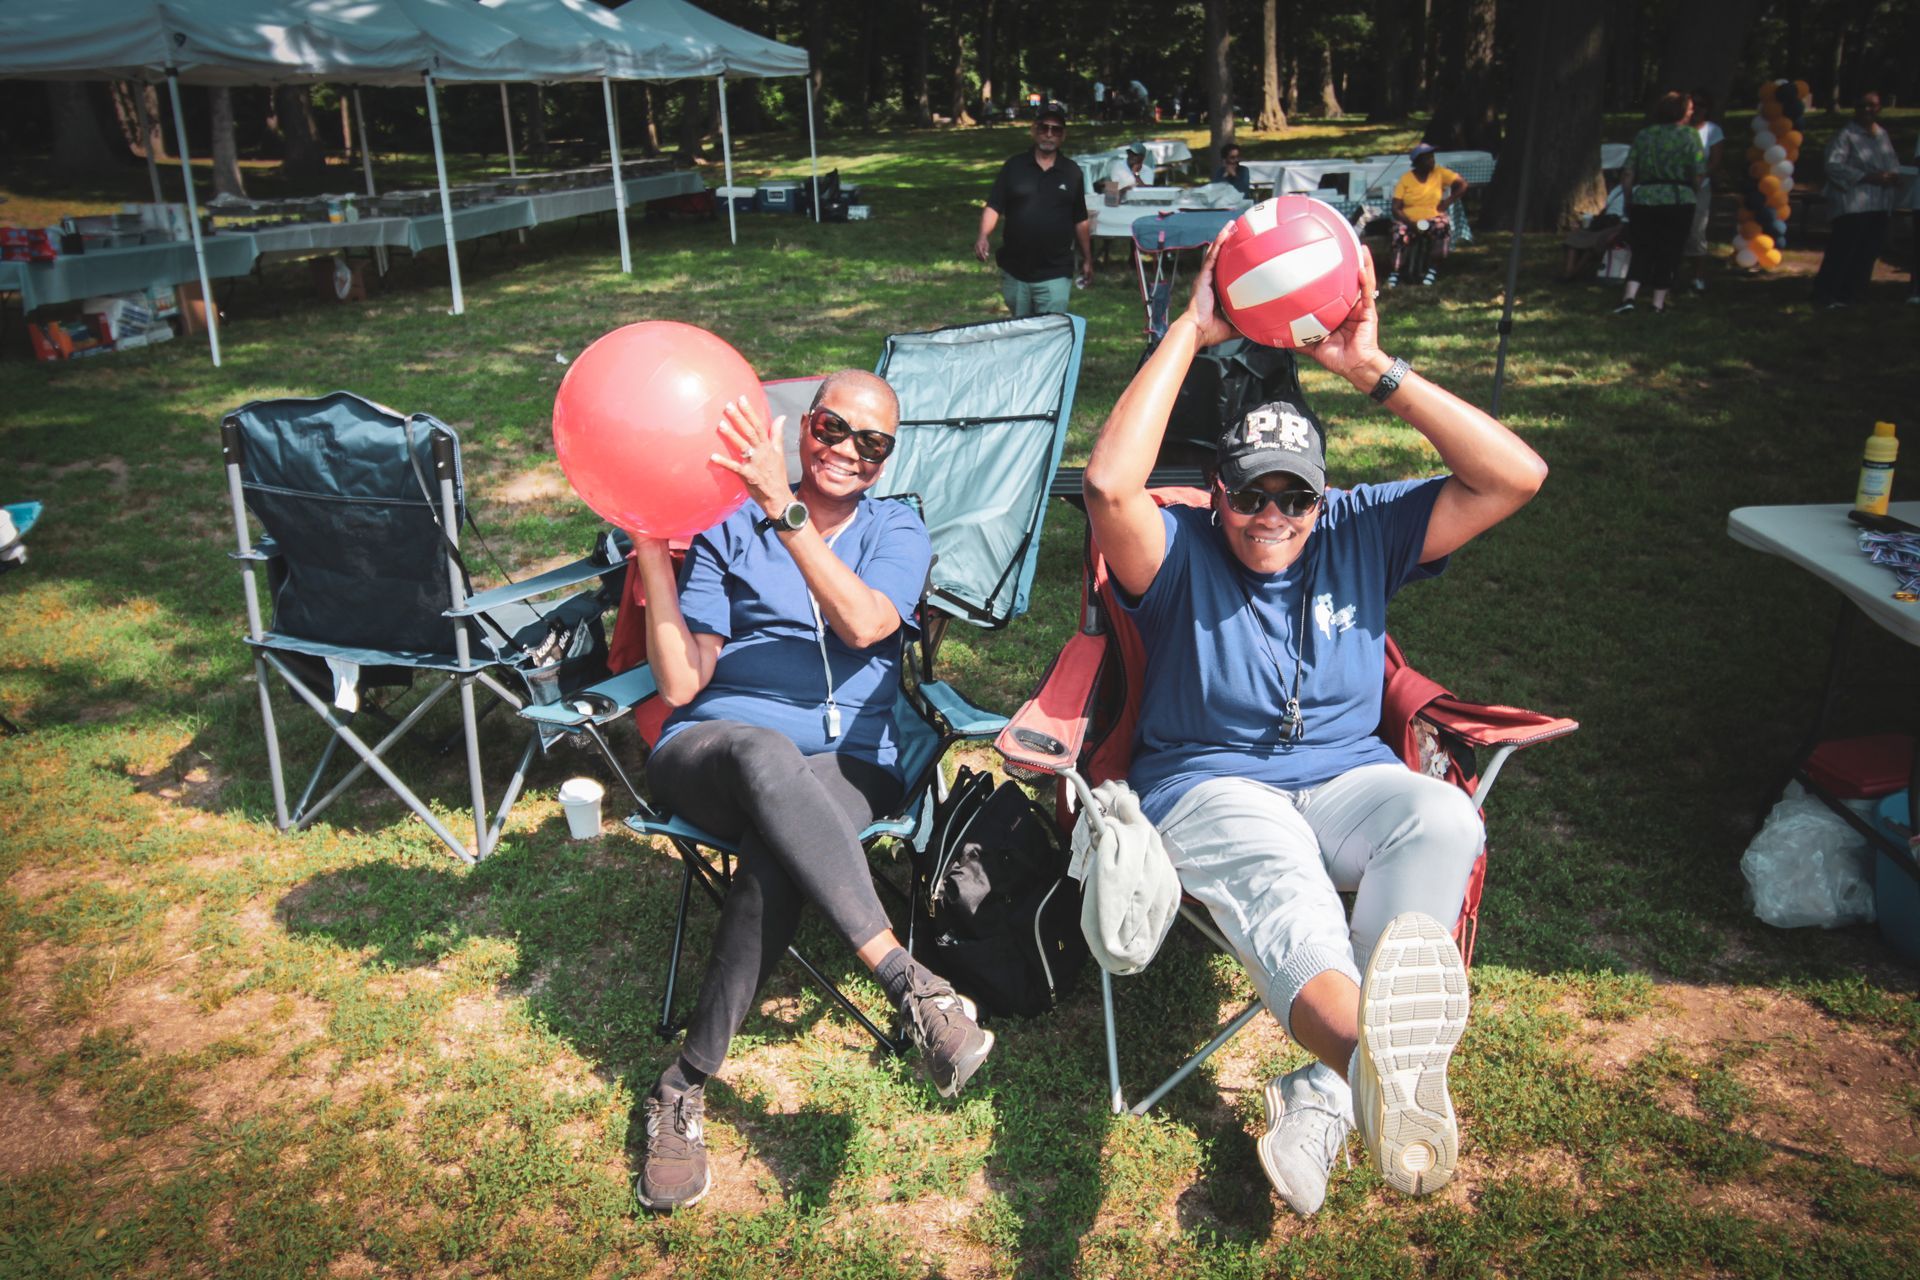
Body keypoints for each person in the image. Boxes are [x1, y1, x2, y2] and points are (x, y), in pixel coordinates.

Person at [1081, 234, 1547, 1216]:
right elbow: (1109, 487)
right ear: (1218, 490)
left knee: (1445, 816)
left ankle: (1337, 1089)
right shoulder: (1176, 550)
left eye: (1294, 494)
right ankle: (1372, 1070)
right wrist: (1190, 333)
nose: (1272, 515)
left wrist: (1374, 369)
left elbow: (1516, 476)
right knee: (1286, 879)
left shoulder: (1361, 530)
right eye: (1251, 492)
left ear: (1322, 495)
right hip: (1210, 782)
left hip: (1344, 776)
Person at [630, 372, 994, 1211]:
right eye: (834, 430)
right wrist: (654, 556)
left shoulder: (896, 526)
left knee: (778, 854)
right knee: (763, 754)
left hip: (851, 757)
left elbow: (867, 624)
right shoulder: (724, 526)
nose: (849, 453)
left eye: (874, 444)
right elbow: (683, 681)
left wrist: (781, 514)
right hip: (716, 747)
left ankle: (681, 1084)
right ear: (803, 429)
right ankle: (911, 985)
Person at [976, 101, 1093, 316]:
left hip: (1055, 272)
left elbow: (1080, 218)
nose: (1049, 134)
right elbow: (994, 205)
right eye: (1043, 128)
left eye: (1055, 130)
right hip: (1016, 271)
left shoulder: (1072, 172)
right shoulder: (1014, 167)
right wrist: (983, 235)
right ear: (1034, 130)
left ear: (1063, 135)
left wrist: (1087, 258)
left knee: (1049, 336)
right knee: (1020, 334)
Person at [1615, 91, 1705, 314]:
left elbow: (1628, 172)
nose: (1692, 111)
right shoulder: (1690, 136)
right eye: (1690, 108)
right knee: (1670, 249)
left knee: (1642, 248)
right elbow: (1698, 172)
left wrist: (1628, 197)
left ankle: (1629, 297)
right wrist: (1692, 190)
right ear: (1682, 111)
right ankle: (1657, 302)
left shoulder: (1644, 135)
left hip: (1645, 197)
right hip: (1678, 198)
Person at [1812, 90, 1903, 309]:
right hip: (1853, 203)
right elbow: (1833, 166)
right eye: (1863, 106)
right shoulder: (1846, 135)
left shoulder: (1881, 134)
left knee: (1868, 252)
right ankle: (1828, 294)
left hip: (1879, 203)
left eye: (1872, 106)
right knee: (1843, 251)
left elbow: (1892, 163)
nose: (1867, 110)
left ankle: (1853, 295)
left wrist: (1894, 176)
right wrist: (1868, 177)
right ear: (1855, 108)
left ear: (1879, 108)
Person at [1387, 143, 1467, 287]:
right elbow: (1395, 208)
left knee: (1442, 228)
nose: (1432, 161)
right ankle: (1396, 271)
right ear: (1417, 162)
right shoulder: (1406, 179)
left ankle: (1432, 269)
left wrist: (1446, 202)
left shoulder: (1439, 173)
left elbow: (1462, 184)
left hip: (1431, 217)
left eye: (1432, 157)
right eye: (1427, 158)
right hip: (1409, 219)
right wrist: (1411, 223)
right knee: (1398, 233)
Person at [1682, 91, 1724, 292]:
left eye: (1702, 105)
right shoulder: (1678, 130)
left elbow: (1715, 161)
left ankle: (1697, 276)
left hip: (1700, 188)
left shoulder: (1712, 130)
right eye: (1694, 105)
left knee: (1696, 230)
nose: (1697, 110)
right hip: (1676, 186)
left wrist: (1699, 178)